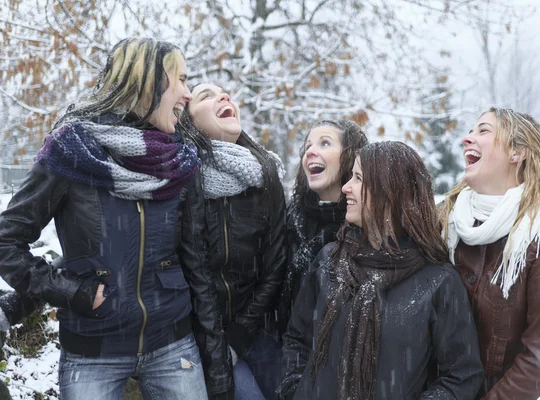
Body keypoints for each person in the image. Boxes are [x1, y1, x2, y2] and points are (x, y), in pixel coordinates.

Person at [0, 38, 217, 400]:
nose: (188, 93)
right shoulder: (73, 149)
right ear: (147, 82)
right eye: (180, 80)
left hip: (172, 344)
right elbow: (7, 240)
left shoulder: (178, 159)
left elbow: (195, 260)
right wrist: (70, 291)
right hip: (92, 353)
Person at [279, 141, 483, 400]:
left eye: (358, 178)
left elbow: (461, 376)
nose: (345, 187)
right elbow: (297, 338)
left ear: (390, 192)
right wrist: (295, 389)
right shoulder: (328, 261)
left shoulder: (438, 282)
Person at [439, 107, 540, 399]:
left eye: (483, 130)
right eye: (471, 130)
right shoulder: (441, 221)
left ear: (517, 152)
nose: (467, 139)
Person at [179, 83, 286, 400]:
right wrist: (214, 343)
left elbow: (275, 264)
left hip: (256, 329)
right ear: (187, 121)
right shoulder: (182, 176)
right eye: (206, 96)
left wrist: (240, 334)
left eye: (225, 93)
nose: (224, 97)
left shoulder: (266, 174)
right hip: (198, 337)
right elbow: (189, 271)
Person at [278, 120, 368, 337]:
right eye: (308, 146)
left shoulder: (365, 224)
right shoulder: (288, 217)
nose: (310, 152)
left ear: (351, 156)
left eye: (324, 143)